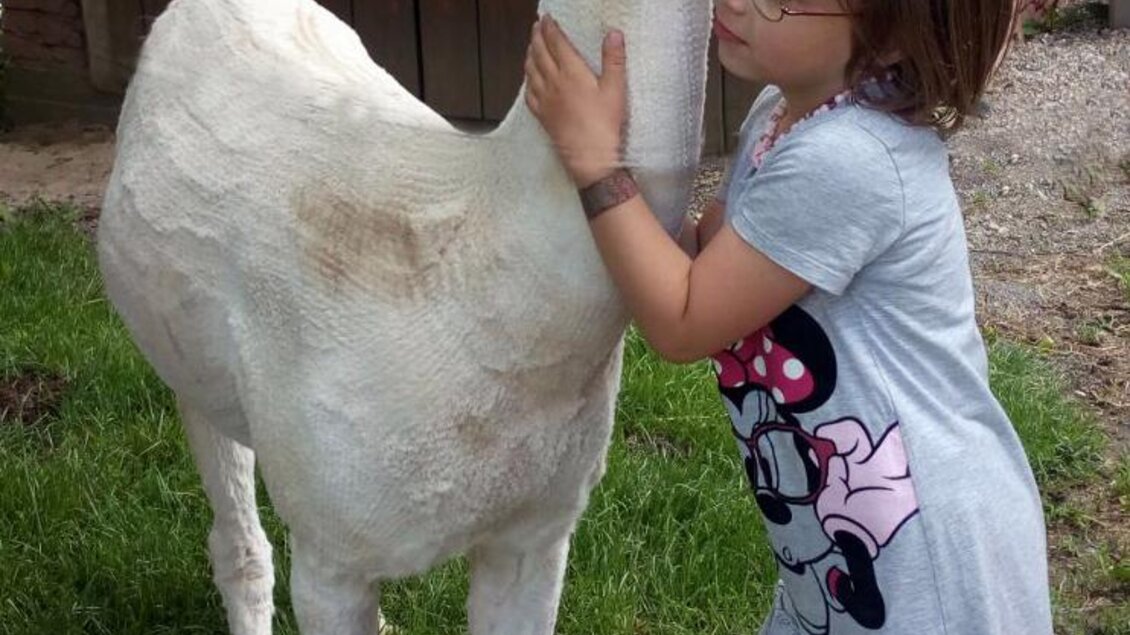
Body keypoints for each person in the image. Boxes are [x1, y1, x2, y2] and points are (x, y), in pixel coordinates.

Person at [523, 0, 1054, 634]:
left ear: (888, 34)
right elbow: (706, 263)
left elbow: (684, 318)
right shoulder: (782, 117)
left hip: (924, 562)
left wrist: (597, 161)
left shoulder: (851, 158)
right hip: (846, 541)